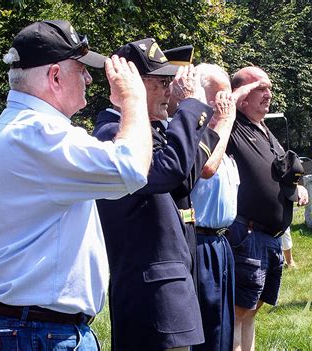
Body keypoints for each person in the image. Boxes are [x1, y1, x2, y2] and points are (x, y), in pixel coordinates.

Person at [0, 20, 152, 350]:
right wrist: (133, 99)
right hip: (38, 332)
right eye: (82, 70)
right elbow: (131, 167)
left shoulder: (11, 131)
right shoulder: (37, 134)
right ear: (55, 77)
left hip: (27, 328)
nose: (89, 79)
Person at [93, 39, 224, 350]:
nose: (170, 90)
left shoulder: (147, 132)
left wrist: (205, 122)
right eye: (161, 82)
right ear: (132, 86)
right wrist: (191, 107)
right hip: (151, 294)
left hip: (170, 287)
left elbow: (183, 179)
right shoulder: (114, 133)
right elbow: (171, 170)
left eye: (170, 81)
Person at [226, 66, 309, 351]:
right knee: (237, 314)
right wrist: (235, 96)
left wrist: (295, 188)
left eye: (269, 88)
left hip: (271, 239)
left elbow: (275, 172)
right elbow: (218, 107)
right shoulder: (232, 124)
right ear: (242, 95)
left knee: (252, 312)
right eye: (260, 88)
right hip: (248, 235)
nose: (268, 94)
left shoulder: (263, 129)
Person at [190, 63, 240, 351]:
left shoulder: (220, 136)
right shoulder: (194, 134)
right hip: (199, 242)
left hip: (221, 242)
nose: (228, 104)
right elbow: (206, 167)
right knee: (205, 328)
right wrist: (226, 121)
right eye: (222, 97)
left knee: (222, 327)